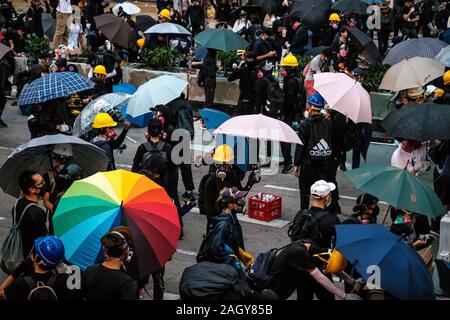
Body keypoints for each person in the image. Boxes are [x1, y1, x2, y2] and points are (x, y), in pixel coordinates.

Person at [131, 118, 183, 238]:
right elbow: (173, 170)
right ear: (161, 132)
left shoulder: (142, 148)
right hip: (163, 183)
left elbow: (134, 169)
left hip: (146, 184)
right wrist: (172, 189)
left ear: (148, 132)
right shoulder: (168, 148)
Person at [265, 240, 361, 300]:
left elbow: (333, 266)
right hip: (274, 287)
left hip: (292, 279)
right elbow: (320, 278)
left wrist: (352, 282)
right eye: (325, 268)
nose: (324, 271)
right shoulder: (300, 253)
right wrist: (344, 296)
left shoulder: (314, 248)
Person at [294, 94, 340, 213]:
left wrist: (296, 164)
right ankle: (322, 214)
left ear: (309, 106)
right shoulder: (329, 124)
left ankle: (303, 213)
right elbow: (334, 144)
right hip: (325, 165)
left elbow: (300, 146)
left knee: (305, 192)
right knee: (323, 191)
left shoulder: (304, 125)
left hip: (308, 165)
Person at [198, 145, 258, 232]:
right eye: (220, 162)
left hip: (230, 218)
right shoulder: (211, 181)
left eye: (226, 162)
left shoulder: (232, 175)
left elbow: (239, 195)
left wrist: (250, 184)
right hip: (217, 223)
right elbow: (209, 211)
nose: (223, 165)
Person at [0, 236, 78, 300]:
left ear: (36, 257)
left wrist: (16, 273)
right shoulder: (65, 280)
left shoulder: (22, 284)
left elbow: (1, 295)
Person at [81, 228, 139, 300]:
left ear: (105, 251)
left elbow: (76, 295)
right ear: (126, 252)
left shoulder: (90, 270)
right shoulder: (126, 282)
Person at [8, 170, 48, 266]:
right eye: (41, 183)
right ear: (32, 189)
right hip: (31, 259)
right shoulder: (37, 212)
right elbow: (42, 240)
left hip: (19, 251)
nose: (44, 184)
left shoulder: (18, 203)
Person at [204, 187, 248, 265]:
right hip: (226, 266)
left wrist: (240, 252)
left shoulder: (232, 216)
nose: (241, 203)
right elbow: (216, 248)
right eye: (239, 200)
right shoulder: (223, 224)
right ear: (230, 204)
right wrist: (231, 258)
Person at [279, 54, 305, 174]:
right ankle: (287, 160)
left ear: (292, 68)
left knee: (284, 138)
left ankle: (288, 162)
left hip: (289, 113)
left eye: (286, 67)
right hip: (297, 112)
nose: (284, 69)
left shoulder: (290, 82)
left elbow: (288, 99)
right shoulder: (299, 78)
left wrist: (282, 112)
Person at [227, 50, 257, 115]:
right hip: (244, 98)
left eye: (250, 59)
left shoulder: (257, 72)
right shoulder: (243, 71)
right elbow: (230, 78)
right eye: (247, 59)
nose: (248, 61)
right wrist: (238, 67)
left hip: (252, 100)